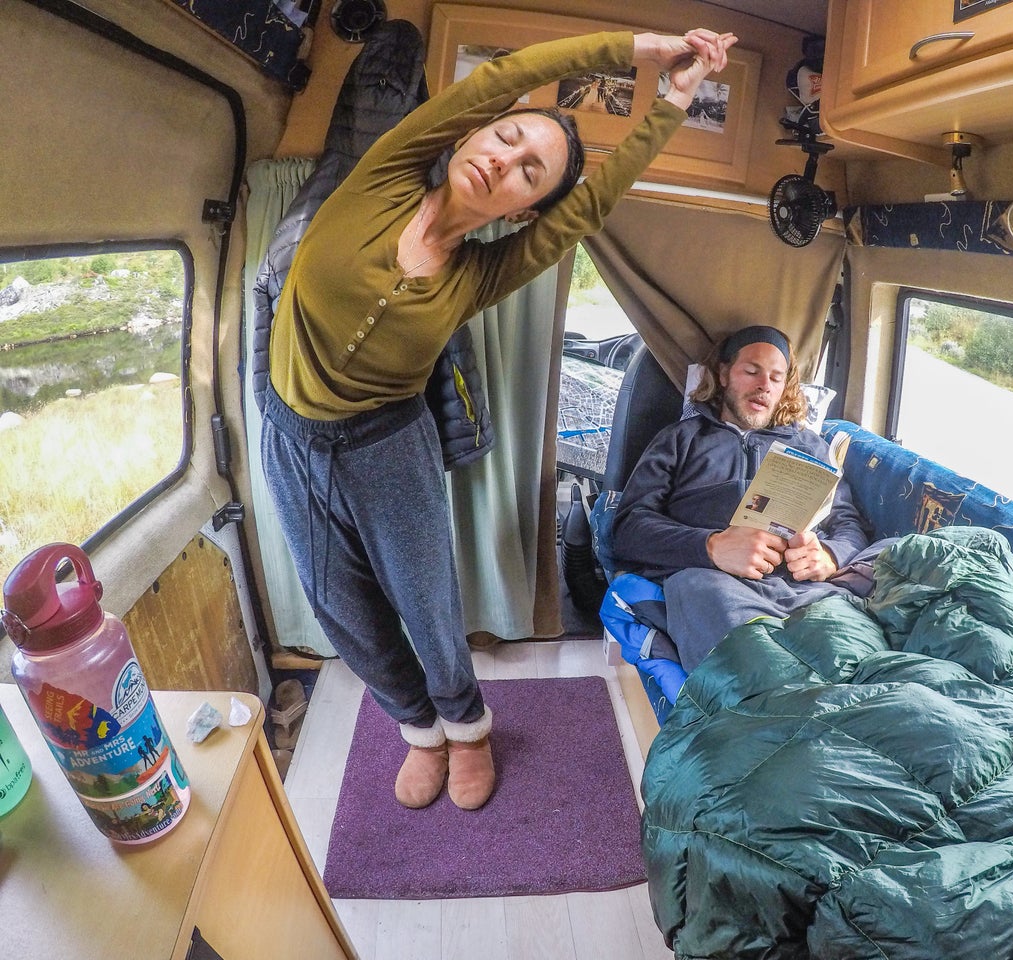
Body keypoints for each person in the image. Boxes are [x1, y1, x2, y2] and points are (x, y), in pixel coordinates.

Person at [259, 28, 737, 812]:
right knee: (341, 607)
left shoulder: (483, 272)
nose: (504, 159)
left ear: (524, 208)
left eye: (529, 172)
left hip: (388, 445)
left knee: (427, 601)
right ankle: (417, 729)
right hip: (291, 435)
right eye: (507, 136)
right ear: (477, 128)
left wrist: (675, 104)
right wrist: (644, 50)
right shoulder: (382, 179)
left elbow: (591, 205)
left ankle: (468, 727)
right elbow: (509, 73)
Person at [610, 326, 874, 671]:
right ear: (723, 374)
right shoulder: (680, 440)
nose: (764, 385)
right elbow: (628, 529)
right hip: (713, 583)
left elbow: (848, 523)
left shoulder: (811, 446)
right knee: (733, 631)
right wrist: (711, 547)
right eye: (751, 371)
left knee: (902, 552)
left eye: (776, 378)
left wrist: (830, 555)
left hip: (807, 592)